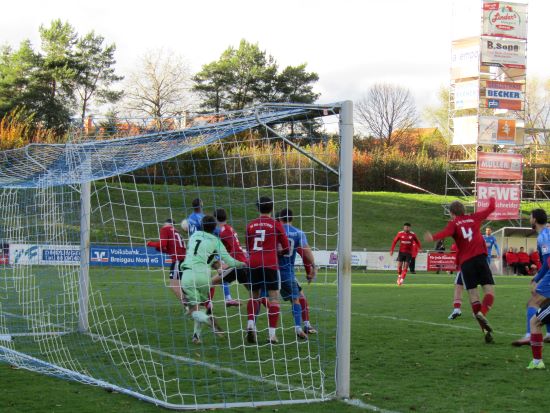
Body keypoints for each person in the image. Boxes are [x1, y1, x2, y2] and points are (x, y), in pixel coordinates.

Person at [425, 197, 497, 343]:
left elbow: (445, 233)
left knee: (473, 295)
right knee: (489, 291)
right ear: (464, 210)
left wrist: (433, 237)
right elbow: (491, 209)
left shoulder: (453, 223)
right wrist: (491, 199)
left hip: (466, 263)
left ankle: (484, 329)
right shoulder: (474, 217)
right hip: (480, 259)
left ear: (452, 213)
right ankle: (482, 313)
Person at [180, 215, 245, 344]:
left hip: (188, 274)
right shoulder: (216, 241)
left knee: (193, 310)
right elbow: (229, 261)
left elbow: (194, 252)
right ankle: (196, 336)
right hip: (204, 277)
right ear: (214, 227)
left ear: (201, 225)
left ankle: (207, 319)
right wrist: (243, 263)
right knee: (200, 306)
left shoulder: (193, 236)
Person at [245, 196, 290, 344]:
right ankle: (272, 335)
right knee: (274, 298)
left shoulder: (250, 225)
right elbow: (286, 247)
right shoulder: (276, 224)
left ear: (258, 208)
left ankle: (250, 324)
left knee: (254, 297)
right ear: (272, 208)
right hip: (270, 263)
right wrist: (279, 253)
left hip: (253, 263)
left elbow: (248, 247)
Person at [511, 209, 550, 352]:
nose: (529, 220)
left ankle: (529, 335)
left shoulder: (544, 235)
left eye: (530, 217)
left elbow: (548, 262)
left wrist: (536, 278)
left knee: (532, 303)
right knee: (546, 303)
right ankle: (549, 333)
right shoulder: (547, 233)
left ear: (534, 220)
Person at [276, 208, 316, 339]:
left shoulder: (273, 231)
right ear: (292, 218)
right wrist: (312, 268)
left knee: (260, 298)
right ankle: (301, 327)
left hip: (270, 271)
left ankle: (254, 326)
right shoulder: (298, 233)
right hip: (286, 273)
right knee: (297, 298)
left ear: (279, 219)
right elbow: (306, 253)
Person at [210, 208, 250, 298]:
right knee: (253, 291)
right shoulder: (229, 228)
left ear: (215, 219)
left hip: (237, 265)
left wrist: (226, 265)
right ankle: (270, 305)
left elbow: (235, 249)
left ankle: (206, 305)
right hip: (242, 263)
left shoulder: (224, 232)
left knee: (211, 282)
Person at [147, 219, 186, 304]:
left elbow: (163, 244)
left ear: (166, 224)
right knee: (183, 286)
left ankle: (189, 306)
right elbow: (172, 249)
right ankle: (192, 304)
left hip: (178, 261)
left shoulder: (165, 229)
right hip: (185, 260)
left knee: (174, 286)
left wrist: (150, 243)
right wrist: (160, 249)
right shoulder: (177, 232)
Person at [447, 243, 464, 320]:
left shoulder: (457, 244)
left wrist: (455, 266)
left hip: (464, 267)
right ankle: (477, 311)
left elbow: (457, 255)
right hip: (476, 267)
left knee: (458, 287)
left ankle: (457, 309)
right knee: (472, 290)